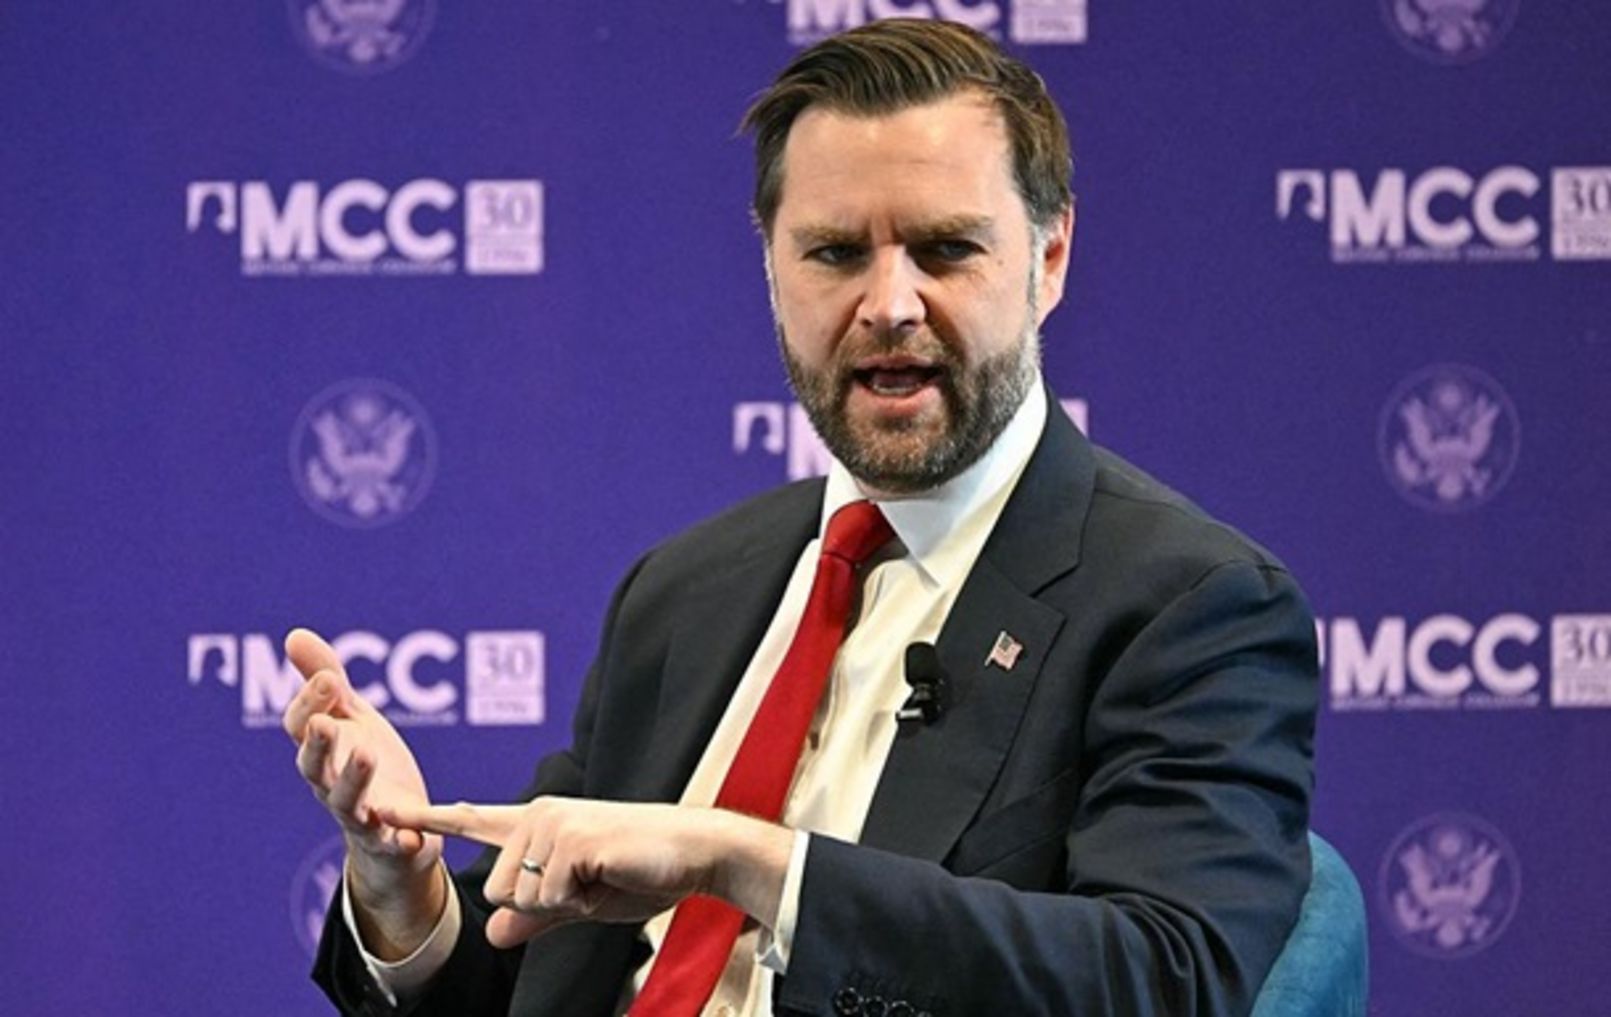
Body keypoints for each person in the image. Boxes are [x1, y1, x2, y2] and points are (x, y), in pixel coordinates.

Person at [284, 19, 1319, 1017]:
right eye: (834, 253)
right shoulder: (684, 591)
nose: (890, 305)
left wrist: (749, 862)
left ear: (1049, 259)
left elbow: (1168, 979)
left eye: (945, 249)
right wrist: (402, 888)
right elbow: (535, 978)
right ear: (771, 267)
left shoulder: (1186, 605)